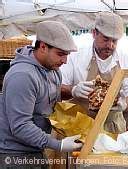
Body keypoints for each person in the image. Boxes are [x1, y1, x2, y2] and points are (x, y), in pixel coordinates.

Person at [0, 21, 82, 168]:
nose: (65, 60)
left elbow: (52, 110)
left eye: (67, 55)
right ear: (43, 47)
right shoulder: (22, 75)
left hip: (36, 148)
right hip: (14, 155)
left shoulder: (54, 71)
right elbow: (20, 126)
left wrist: (75, 93)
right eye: (61, 54)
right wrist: (58, 144)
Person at [60, 12, 128, 133]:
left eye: (114, 41)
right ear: (94, 33)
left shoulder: (125, 57)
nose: (110, 45)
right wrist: (73, 90)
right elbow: (58, 87)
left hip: (112, 126)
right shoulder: (76, 56)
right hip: (80, 125)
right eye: (105, 39)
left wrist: (124, 104)